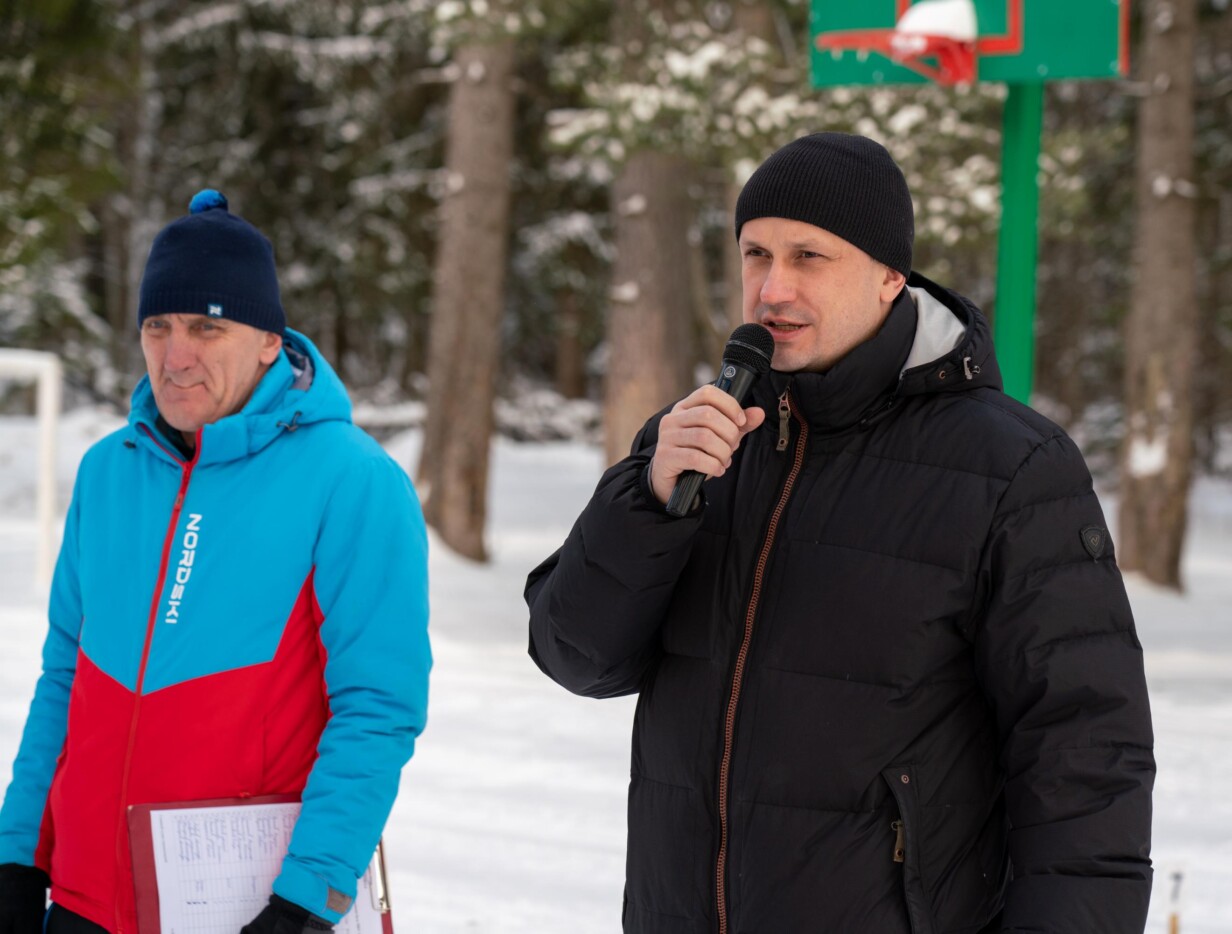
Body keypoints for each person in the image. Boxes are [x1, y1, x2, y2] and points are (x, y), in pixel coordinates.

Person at [526, 133, 1155, 933]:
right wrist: (647, 499)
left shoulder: (1011, 469)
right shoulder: (698, 439)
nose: (773, 289)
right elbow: (576, 658)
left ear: (891, 277)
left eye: (809, 258)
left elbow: (1085, 754)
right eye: (756, 254)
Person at [0, 190, 431, 934]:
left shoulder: (352, 481)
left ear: (267, 341)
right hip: (80, 902)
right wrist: (17, 855)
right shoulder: (108, 471)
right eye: (158, 326)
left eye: (207, 326)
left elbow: (377, 707)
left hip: (241, 909)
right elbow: (66, 677)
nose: (176, 357)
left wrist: (309, 898)